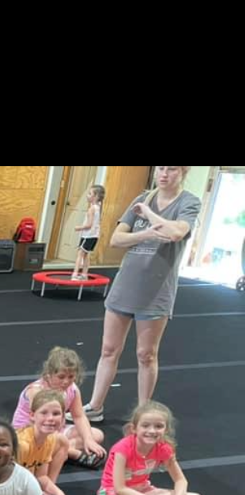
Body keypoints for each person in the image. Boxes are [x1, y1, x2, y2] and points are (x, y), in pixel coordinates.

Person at [86, 167, 202, 424]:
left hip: (156, 292)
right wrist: (147, 233)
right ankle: (95, 406)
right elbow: (116, 239)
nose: (164, 174)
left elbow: (176, 233)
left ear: (183, 171)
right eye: (160, 167)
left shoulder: (188, 202)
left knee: (146, 354)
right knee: (108, 349)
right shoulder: (141, 198)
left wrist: (148, 214)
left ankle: (143, 413)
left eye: (171, 169)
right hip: (125, 286)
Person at [98, 403, 203, 495]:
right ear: (134, 428)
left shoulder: (164, 448)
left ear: (166, 430)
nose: (152, 431)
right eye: (145, 425)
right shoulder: (122, 449)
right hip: (113, 492)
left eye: (158, 426)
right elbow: (120, 489)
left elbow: (180, 480)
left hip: (143, 489)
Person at [16, 391, 97, 495]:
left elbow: (41, 477)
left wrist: (59, 494)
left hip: (24, 484)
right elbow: (13, 482)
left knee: (61, 440)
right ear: (32, 415)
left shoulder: (49, 439)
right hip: (7, 490)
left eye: (56, 414)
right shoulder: (23, 444)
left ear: (63, 417)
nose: (50, 419)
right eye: (44, 413)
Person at [12, 348, 105, 466]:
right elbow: (40, 424)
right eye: (61, 377)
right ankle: (72, 453)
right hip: (31, 431)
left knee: (97, 435)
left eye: (71, 377)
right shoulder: (36, 391)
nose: (66, 381)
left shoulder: (72, 389)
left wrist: (88, 440)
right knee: (34, 445)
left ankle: (60, 450)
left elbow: (79, 416)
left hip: (56, 429)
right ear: (49, 374)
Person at [72, 184, 106, 282]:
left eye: (89, 193)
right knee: (86, 255)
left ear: (95, 196)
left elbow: (89, 225)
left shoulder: (92, 209)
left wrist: (78, 228)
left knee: (80, 254)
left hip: (88, 235)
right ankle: (84, 274)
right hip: (94, 236)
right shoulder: (98, 207)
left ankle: (75, 274)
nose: (87, 195)